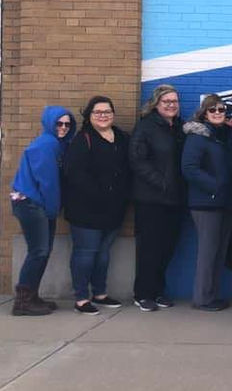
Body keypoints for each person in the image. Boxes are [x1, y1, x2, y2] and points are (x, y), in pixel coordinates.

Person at [62, 96, 130, 315]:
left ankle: (100, 294)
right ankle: (81, 298)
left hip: (114, 209)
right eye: (97, 112)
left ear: (113, 114)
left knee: (103, 254)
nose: (103, 115)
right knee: (86, 253)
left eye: (107, 111)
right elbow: (75, 174)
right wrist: (100, 194)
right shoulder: (82, 140)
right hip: (86, 210)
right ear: (89, 116)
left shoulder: (121, 137)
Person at [10, 105, 76, 315]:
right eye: (59, 123)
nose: (64, 127)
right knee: (39, 251)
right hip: (31, 203)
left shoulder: (57, 144)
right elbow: (47, 182)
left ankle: (32, 296)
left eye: (67, 123)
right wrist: (52, 209)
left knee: (42, 251)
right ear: (49, 123)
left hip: (37, 203)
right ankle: (22, 303)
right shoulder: (46, 145)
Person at [130, 84, 186, 312]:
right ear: (156, 104)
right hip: (151, 199)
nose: (171, 105)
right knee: (150, 248)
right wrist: (161, 183)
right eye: (167, 102)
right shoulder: (146, 127)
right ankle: (143, 294)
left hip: (175, 200)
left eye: (174, 101)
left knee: (167, 248)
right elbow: (137, 161)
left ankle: (158, 291)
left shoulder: (179, 128)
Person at [182, 94, 232, 311]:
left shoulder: (223, 137)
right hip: (206, 204)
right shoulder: (198, 137)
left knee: (218, 252)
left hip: (223, 203)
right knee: (208, 252)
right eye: (212, 110)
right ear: (204, 112)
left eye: (221, 110)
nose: (217, 113)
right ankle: (202, 298)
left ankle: (211, 295)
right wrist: (215, 187)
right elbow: (189, 168)